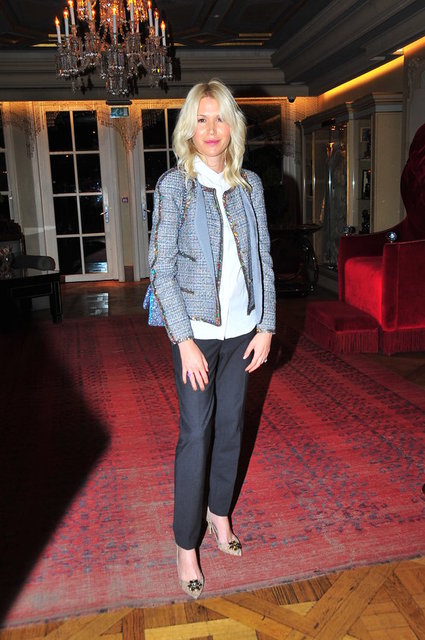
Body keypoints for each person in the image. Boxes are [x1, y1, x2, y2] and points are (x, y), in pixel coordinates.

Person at [148, 79, 276, 599]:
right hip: (196, 335)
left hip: (242, 330)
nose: (211, 129)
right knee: (196, 433)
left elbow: (263, 257)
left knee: (230, 427)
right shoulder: (174, 186)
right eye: (201, 119)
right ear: (189, 128)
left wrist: (266, 325)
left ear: (232, 126)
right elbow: (161, 271)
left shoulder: (250, 186)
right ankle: (186, 544)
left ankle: (219, 514)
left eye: (219, 117)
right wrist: (183, 341)